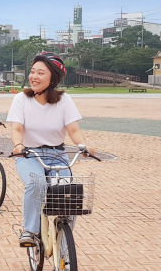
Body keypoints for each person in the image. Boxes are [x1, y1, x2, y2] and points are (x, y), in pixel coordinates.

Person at [6, 51, 95, 246]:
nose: (34, 77)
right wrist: (18, 145)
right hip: (29, 154)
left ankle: (64, 248)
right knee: (36, 184)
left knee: (67, 195)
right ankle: (30, 230)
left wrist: (83, 146)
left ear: (52, 78)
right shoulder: (21, 99)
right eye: (32, 72)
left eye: (40, 73)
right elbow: (17, 128)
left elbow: (73, 129)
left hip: (57, 155)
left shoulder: (64, 101)